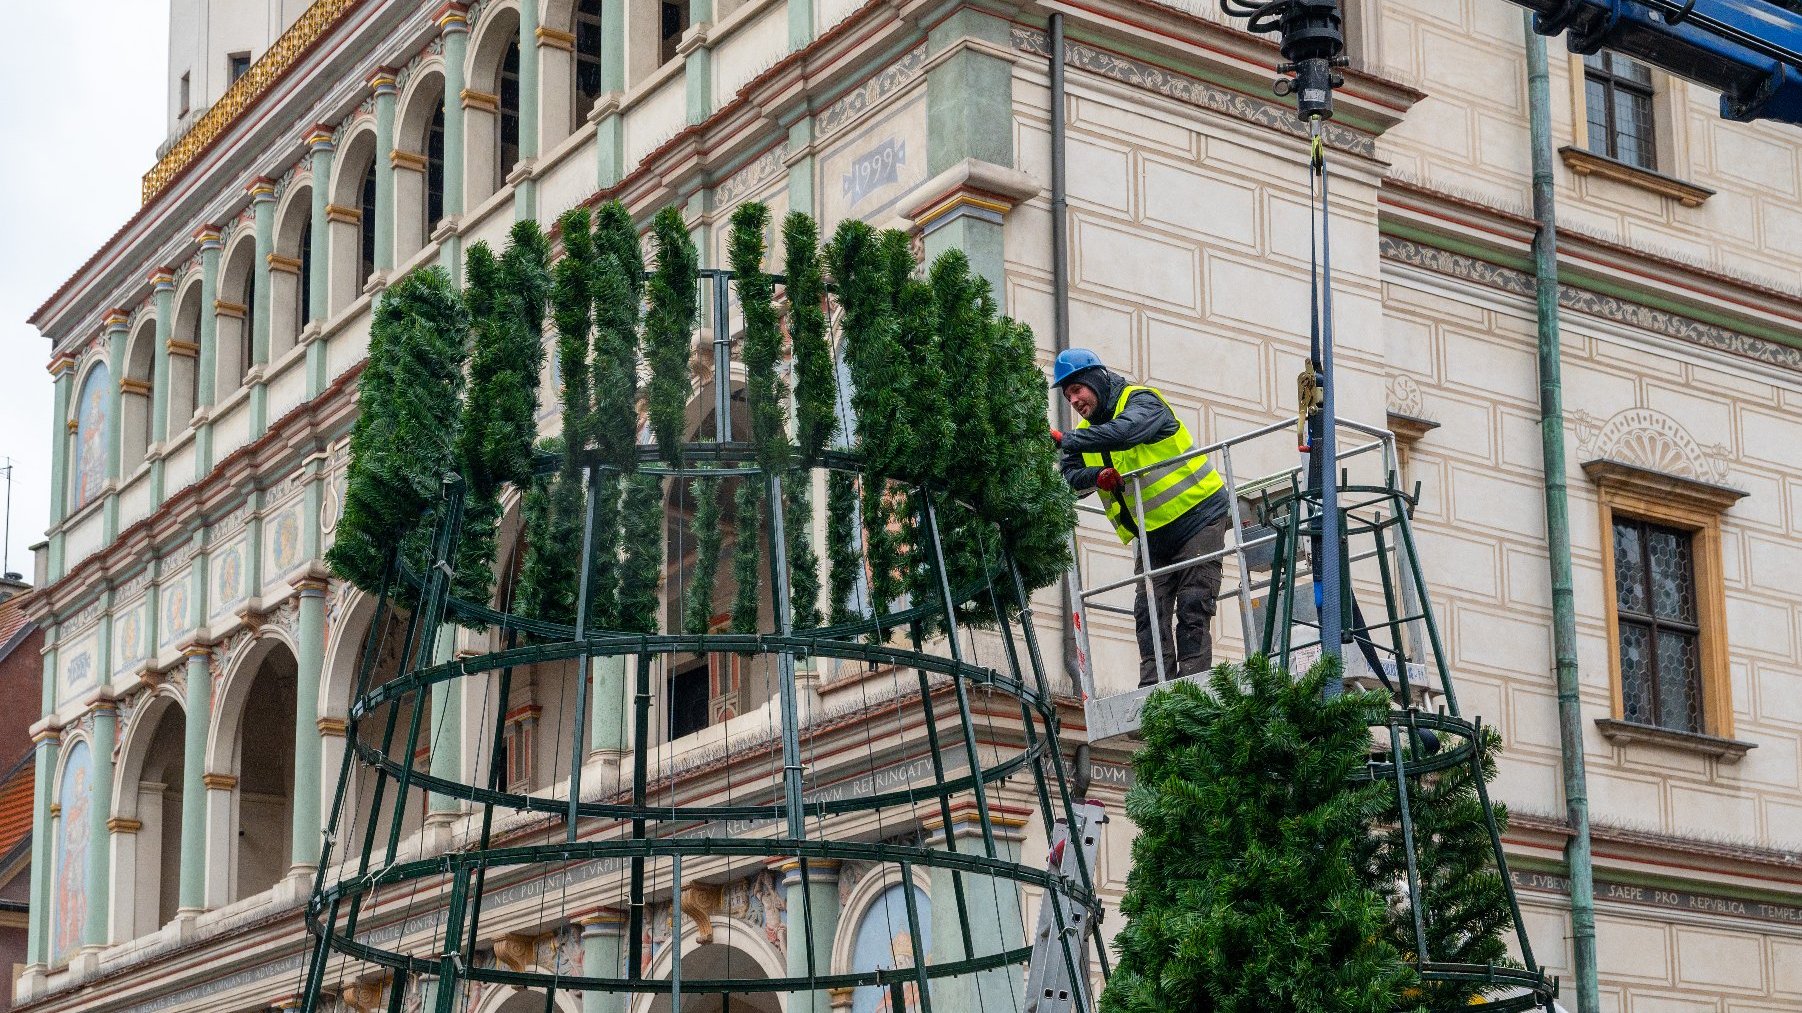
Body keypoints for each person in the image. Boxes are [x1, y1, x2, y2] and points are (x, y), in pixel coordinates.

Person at [1051, 348, 1230, 687]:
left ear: (1096, 380)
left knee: (1193, 602)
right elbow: (1069, 476)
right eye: (1067, 394)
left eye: (1077, 389)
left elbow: (1127, 433)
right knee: (1149, 613)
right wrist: (1096, 477)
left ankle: (1193, 683)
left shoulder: (1142, 401)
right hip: (1153, 536)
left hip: (1198, 516)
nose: (1073, 400)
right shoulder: (1087, 433)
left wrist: (1068, 438)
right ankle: (1155, 689)